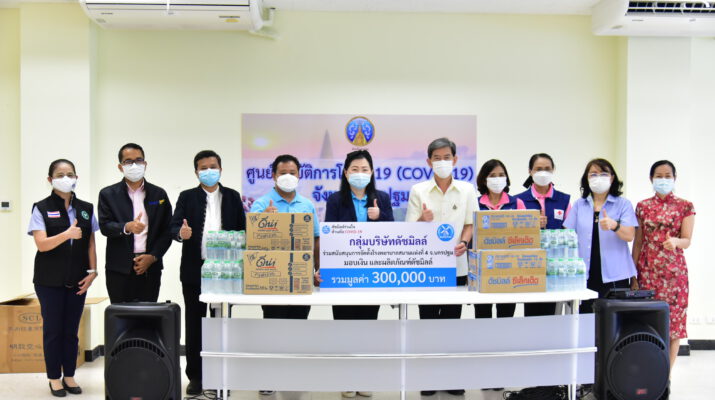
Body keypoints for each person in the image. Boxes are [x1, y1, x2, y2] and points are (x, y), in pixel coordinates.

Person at [170, 150, 246, 396]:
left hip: (226, 271)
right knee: (195, 324)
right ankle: (196, 376)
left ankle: (221, 375)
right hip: (195, 269)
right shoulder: (187, 196)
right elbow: (174, 226)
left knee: (222, 324)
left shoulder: (232, 196)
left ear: (221, 169)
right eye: (203, 168)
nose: (209, 171)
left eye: (213, 166)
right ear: (196, 172)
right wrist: (180, 234)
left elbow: (243, 229)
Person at [405, 137, 477, 397]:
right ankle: (429, 378)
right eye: (437, 158)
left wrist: (464, 242)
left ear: (455, 160)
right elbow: (409, 230)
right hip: (426, 268)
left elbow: (470, 223)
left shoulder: (467, 190)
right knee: (427, 323)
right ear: (429, 162)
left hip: (457, 266)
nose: (442, 162)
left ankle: (450, 377)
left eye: (447, 157)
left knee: (451, 323)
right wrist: (422, 220)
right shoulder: (418, 190)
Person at [324, 149, 394, 399]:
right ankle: (347, 379)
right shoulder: (335, 200)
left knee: (368, 326)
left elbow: (392, 234)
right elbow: (329, 235)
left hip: (372, 273)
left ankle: (364, 378)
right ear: (346, 173)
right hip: (342, 274)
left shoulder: (381, 198)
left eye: (365, 169)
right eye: (355, 169)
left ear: (372, 172)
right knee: (344, 327)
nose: (360, 173)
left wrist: (379, 216)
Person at [28, 159, 99, 397]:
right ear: (50, 180)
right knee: (53, 331)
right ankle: (53, 378)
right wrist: (67, 234)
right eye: (60, 175)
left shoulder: (86, 208)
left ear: (76, 177)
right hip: (48, 280)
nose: (66, 178)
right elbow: (41, 244)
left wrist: (92, 272)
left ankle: (69, 375)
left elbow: (90, 243)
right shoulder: (41, 208)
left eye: (70, 174)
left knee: (71, 331)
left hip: (78, 279)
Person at [632, 160, 694, 371]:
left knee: (674, 326)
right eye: (659, 176)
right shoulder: (642, 206)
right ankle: (649, 371)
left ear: (675, 178)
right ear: (651, 179)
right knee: (647, 322)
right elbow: (638, 242)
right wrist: (633, 274)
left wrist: (675, 241)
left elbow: (687, 240)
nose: (663, 180)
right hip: (647, 272)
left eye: (668, 176)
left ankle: (666, 375)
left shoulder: (685, 206)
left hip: (674, 276)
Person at [98, 143, 173, 303]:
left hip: (150, 267)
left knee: (148, 315)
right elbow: (105, 226)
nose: (134, 165)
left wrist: (153, 257)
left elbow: (167, 231)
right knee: (120, 316)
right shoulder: (108, 194)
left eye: (138, 160)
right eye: (128, 161)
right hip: (119, 269)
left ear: (145, 164)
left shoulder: (159, 194)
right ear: (120, 167)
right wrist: (126, 226)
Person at [564, 158, 637, 313]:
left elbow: (630, 235)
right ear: (587, 178)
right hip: (584, 274)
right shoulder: (579, 205)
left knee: (612, 321)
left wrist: (614, 225)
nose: (598, 178)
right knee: (585, 318)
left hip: (615, 275)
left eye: (604, 174)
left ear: (612, 178)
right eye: (593, 174)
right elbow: (567, 235)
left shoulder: (623, 204)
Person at [516, 153, 571, 317]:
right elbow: (514, 233)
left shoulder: (563, 200)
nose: (543, 172)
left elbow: (569, 232)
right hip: (528, 265)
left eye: (547, 169)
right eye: (538, 169)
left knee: (553, 313)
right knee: (532, 312)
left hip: (555, 264)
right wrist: (531, 225)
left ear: (553, 170)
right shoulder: (519, 200)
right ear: (530, 171)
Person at [474, 159, 525, 321]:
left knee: (506, 316)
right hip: (482, 268)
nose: (497, 179)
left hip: (509, 268)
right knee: (482, 316)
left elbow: (525, 234)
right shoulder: (476, 204)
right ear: (484, 180)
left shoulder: (517, 203)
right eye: (492, 175)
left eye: (501, 175)